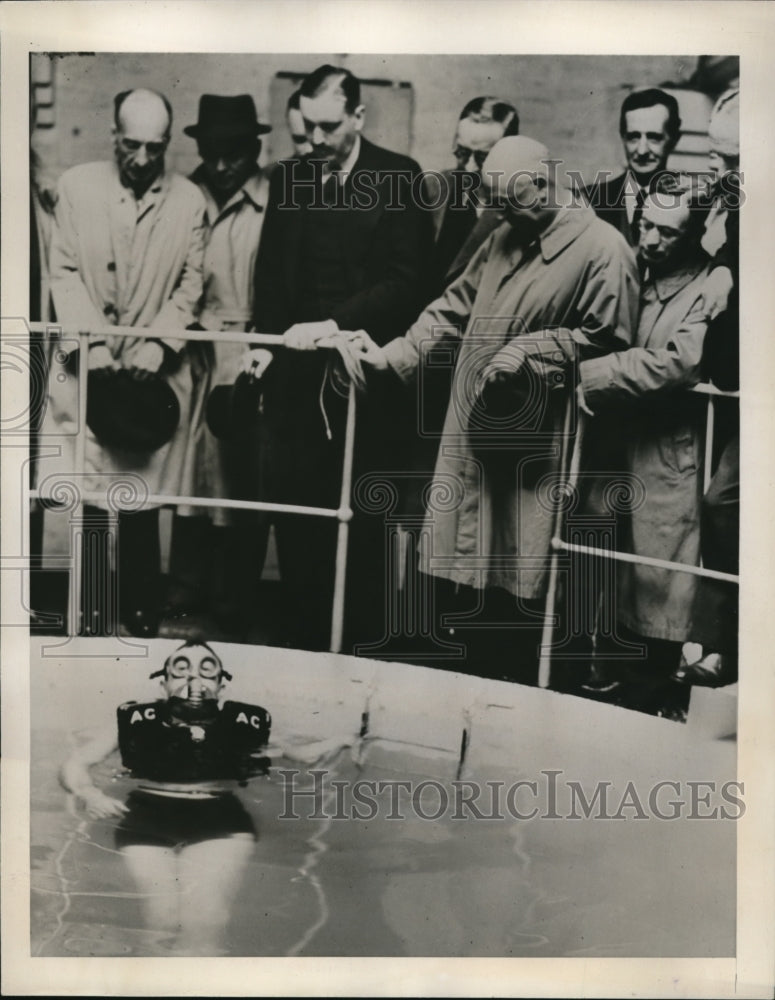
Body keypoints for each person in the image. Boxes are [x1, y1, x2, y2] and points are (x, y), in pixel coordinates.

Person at [351, 136, 639, 683]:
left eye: (507, 201)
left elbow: (611, 343)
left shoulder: (604, 249)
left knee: (523, 567)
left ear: (542, 185)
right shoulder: (508, 232)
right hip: (474, 426)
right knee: (467, 562)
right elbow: (452, 308)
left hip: (535, 438)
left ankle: (515, 697)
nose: (498, 215)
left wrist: (529, 350)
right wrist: (394, 355)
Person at [248, 64, 433, 651]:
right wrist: (263, 344)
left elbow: (409, 283)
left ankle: (362, 651)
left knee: (364, 519)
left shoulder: (399, 178)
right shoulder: (291, 177)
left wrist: (334, 324)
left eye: (330, 127)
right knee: (297, 516)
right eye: (308, 129)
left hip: (366, 382)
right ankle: (303, 645)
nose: (317, 140)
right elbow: (273, 277)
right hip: (295, 383)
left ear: (358, 116)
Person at [45, 88, 206, 637]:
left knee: (139, 493)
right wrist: (92, 345)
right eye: (131, 145)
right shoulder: (76, 187)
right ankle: (89, 605)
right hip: (89, 370)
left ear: (168, 144)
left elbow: (191, 283)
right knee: (90, 495)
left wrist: (157, 343)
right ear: (114, 135)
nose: (141, 160)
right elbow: (62, 272)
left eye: (154, 148)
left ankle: (141, 606)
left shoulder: (190, 201)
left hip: (147, 373)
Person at [575, 177, 712, 714]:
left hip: (667, 451)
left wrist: (597, 372)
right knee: (603, 564)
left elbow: (682, 360)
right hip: (617, 443)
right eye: (645, 225)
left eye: (667, 232)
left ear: (695, 233)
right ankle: (600, 678)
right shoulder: (636, 268)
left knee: (662, 579)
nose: (650, 239)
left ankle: (654, 698)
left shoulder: (711, 283)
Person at [60, 640, 271, 956]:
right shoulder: (134, 722)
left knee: (206, 920)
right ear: (164, 684)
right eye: (182, 670)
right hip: (147, 815)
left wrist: (341, 743)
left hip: (219, 817)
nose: (193, 680)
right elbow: (75, 763)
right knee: (162, 920)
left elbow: (300, 756)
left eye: (206, 671)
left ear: (221, 685)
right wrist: (90, 794)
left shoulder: (242, 725)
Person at [166, 94, 273, 637]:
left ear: (254, 148)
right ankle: (184, 594)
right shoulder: (185, 195)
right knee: (189, 482)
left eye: (233, 153)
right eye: (213, 153)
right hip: (195, 352)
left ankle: (235, 605)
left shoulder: (277, 199)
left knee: (240, 484)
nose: (223, 165)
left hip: (250, 351)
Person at [672, 88, 740, 688]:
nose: (719, 168)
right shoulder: (725, 202)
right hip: (721, 389)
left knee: (722, 504)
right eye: (717, 155)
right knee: (708, 506)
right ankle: (709, 644)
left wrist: (728, 267)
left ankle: (723, 645)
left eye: (734, 161)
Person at [425, 95, 520, 297]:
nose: (469, 168)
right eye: (462, 152)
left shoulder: (519, 211)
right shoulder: (431, 187)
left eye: (482, 158)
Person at [587, 87, 682, 248]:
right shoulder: (590, 201)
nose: (642, 150)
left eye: (654, 138)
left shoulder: (689, 203)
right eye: (633, 137)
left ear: (674, 140)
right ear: (622, 137)